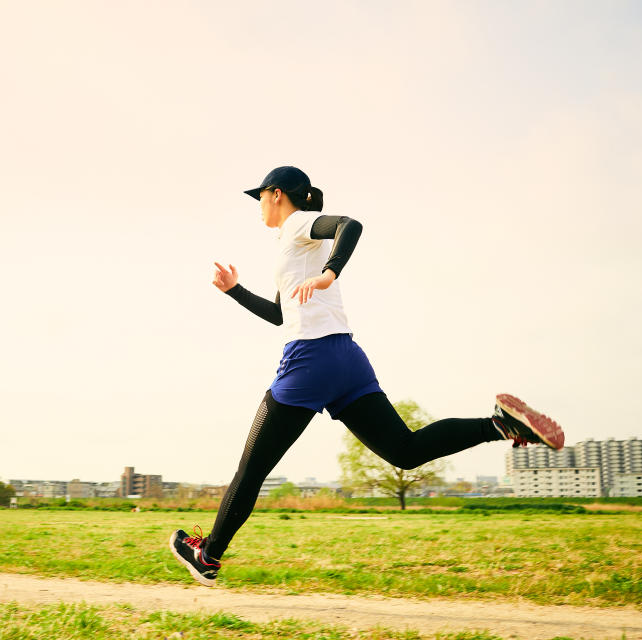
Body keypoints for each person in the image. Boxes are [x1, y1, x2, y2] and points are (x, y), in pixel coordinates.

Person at [168, 166, 565, 588]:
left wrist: (330, 273)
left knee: (251, 470)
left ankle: (207, 555)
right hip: (346, 359)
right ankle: (501, 424)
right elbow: (280, 314)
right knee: (405, 450)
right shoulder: (294, 244)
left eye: (260, 197)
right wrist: (235, 290)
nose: (259, 206)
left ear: (277, 193)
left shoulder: (300, 223)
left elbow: (350, 224)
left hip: (309, 361)